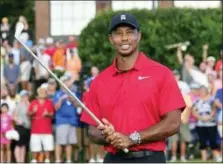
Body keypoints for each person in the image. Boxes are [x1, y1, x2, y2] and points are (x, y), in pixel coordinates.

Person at [80, 13, 186, 163]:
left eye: (130, 32)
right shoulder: (99, 81)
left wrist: (132, 139)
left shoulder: (161, 74)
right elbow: (92, 131)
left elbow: (173, 123)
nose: (124, 38)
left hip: (150, 159)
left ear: (139, 36)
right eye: (118, 33)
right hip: (113, 159)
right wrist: (109, 137)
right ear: (111, 39)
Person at [53, 76, 79, 163]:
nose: (67, 83)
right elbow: (56, 108)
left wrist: (73, 100)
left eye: (68, 81)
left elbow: (77, 107)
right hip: (62, 121)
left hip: (72, 120)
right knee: (60, 142)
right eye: (65, 81)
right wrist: (62, 99)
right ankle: (58, 160)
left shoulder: (73, 93)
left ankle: (68, 160)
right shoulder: (57, 93)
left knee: (69, 142)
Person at [192, 86, 222, 162]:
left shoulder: (212, 99)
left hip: (211, 124)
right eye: (200, 91)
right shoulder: (196, 100)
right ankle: (204, 157)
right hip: (200, 124)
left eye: (203, 91)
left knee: (213, 141)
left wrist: (208, 117)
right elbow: (193, 111)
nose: (201, 92)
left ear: (206, 91)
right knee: (202, 141)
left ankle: (216, 156)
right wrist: (200, 118)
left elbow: (214, 109)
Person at [28, 85, 54, 163]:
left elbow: (52, 114)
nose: (42, 93)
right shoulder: (33, 102)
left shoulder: (49, 102)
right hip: (35, 129)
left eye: (44, 92)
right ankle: (34, 160)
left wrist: (47, 114)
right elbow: (28, 113)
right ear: (38, 93)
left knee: (48, 146)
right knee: (34, 146)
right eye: (41, 91)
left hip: (46, 128)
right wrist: (34, 111)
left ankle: (47, 160)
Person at [13, 90, 31, 163]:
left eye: (26, 96)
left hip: (27, 127)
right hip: (20, 127)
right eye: (24, 96)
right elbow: (14, 116)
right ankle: (18, 161)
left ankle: (22, 161)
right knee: (18, 145)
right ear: (21, 97)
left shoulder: (30, 104)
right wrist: (18, 121)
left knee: (23, 145)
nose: (25, 97)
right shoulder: (19, 105)